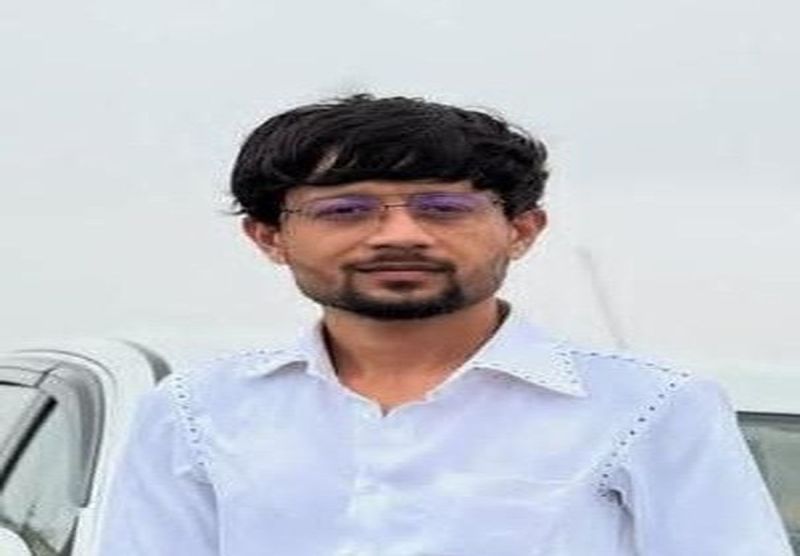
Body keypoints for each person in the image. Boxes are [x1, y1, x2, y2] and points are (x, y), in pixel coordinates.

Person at [97, 94, 791, 555]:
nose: (400, 235)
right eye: (345, 210)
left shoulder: (648, 408)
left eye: (444, 208)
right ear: (269, 236)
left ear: (522, 229)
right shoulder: (194, 411)